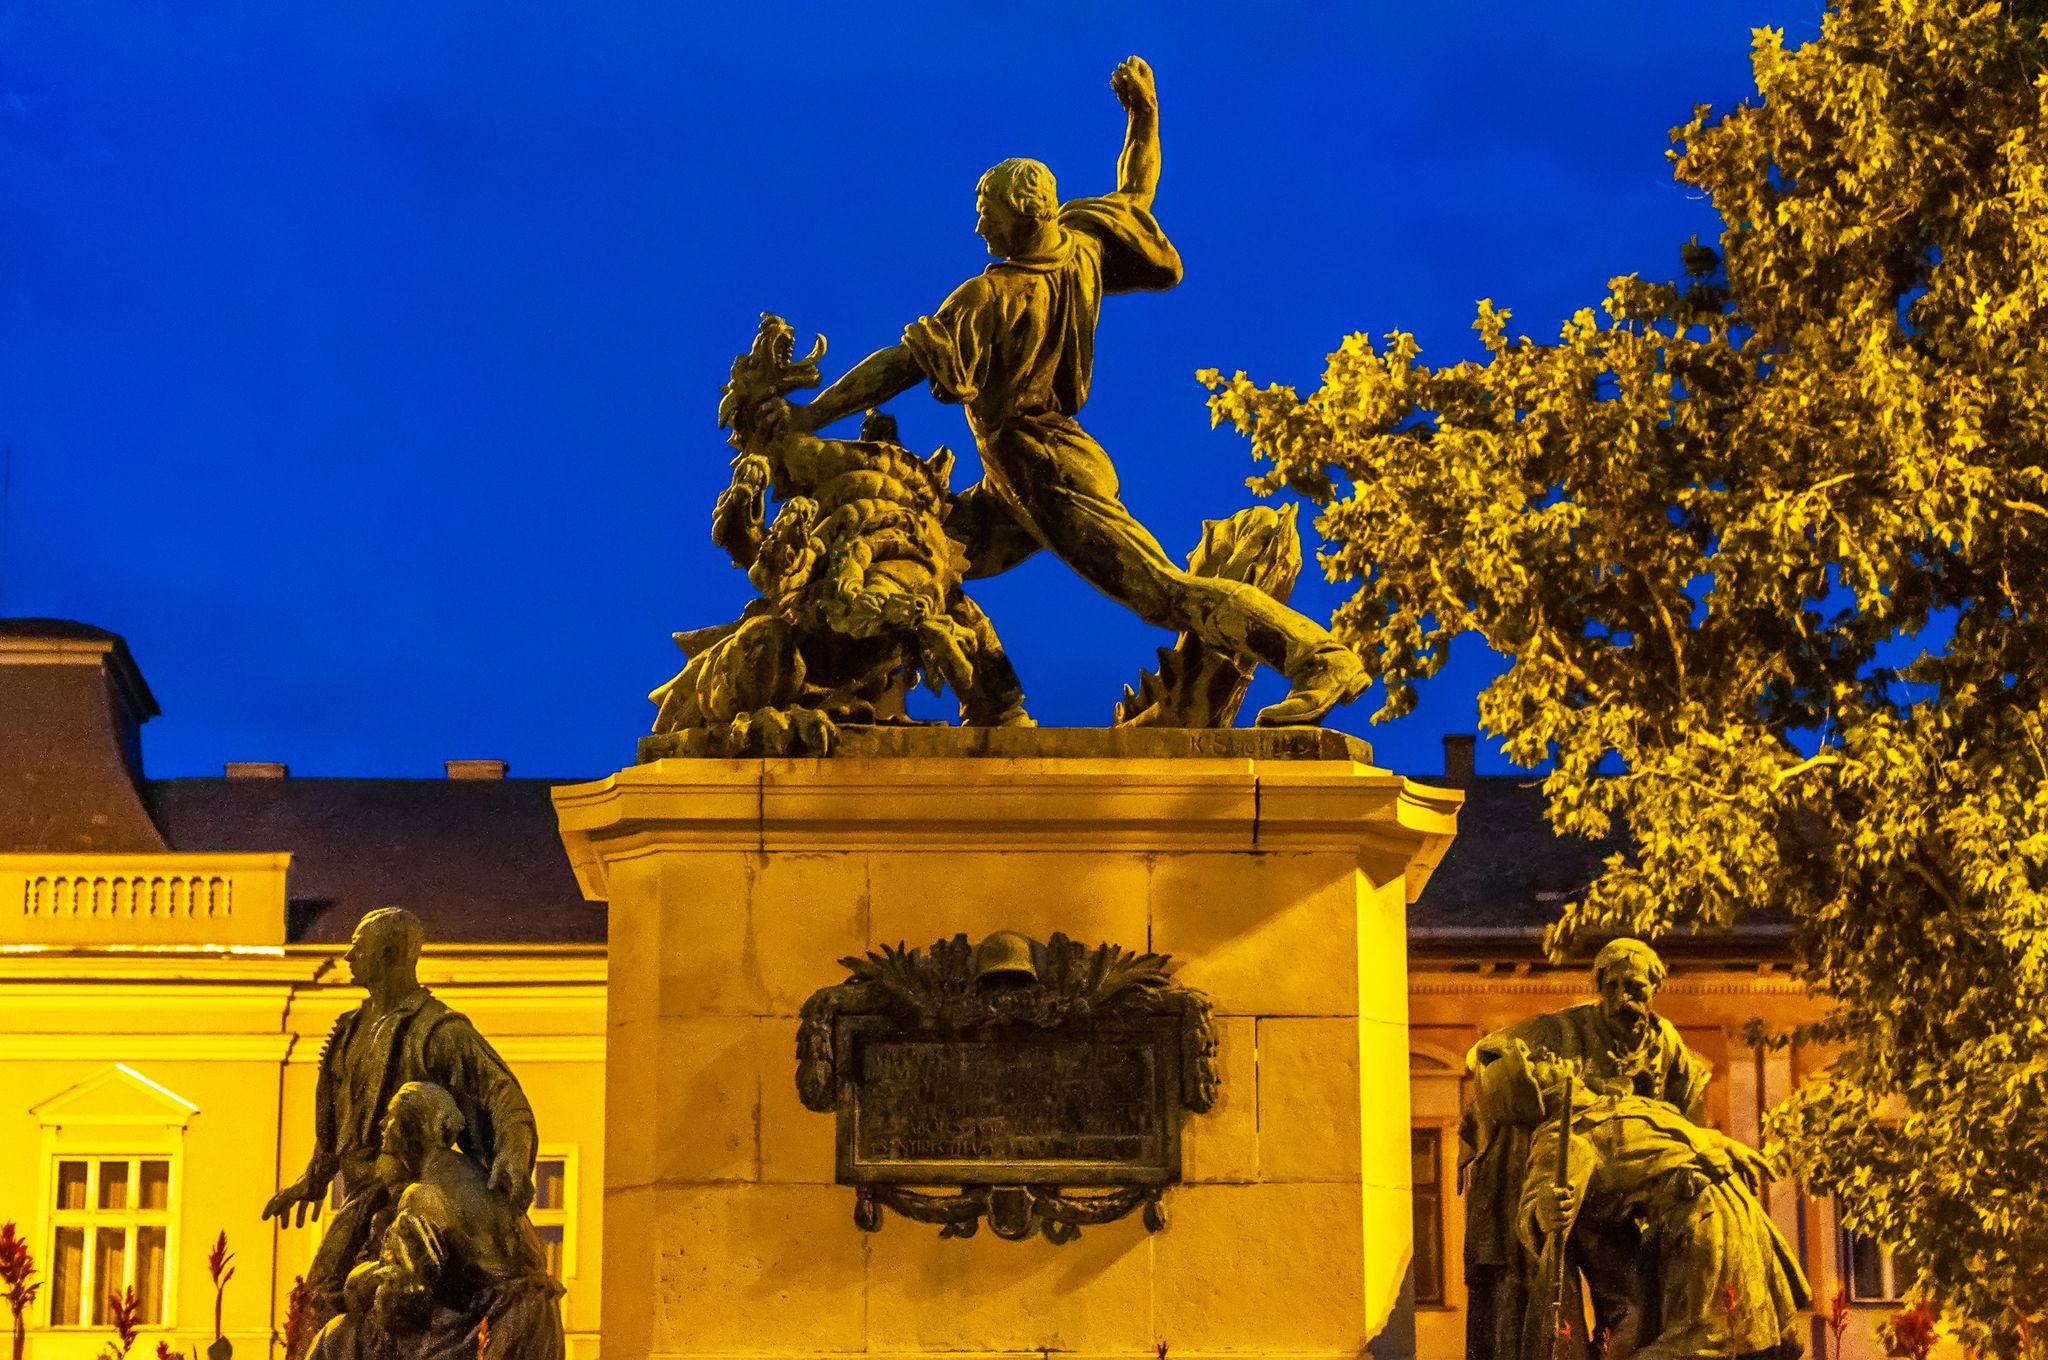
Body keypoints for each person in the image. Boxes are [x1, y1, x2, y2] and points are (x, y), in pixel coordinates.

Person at [780, 55, 1368, 727]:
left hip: (1045, 472)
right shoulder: (1081, 243)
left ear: (1026, 211)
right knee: (926, 555)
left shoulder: (992, 295)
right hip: (1021, 475)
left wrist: (812, 413)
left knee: (1163, 592)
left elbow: (899, 365)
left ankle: (1316, 656)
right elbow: (1136, 192)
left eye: (987, 213)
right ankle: (994, 705)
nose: (979, 228)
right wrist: (1143, 114)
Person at [264, 907, 539, 1330]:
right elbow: (338, 1124)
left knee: (327, 1300)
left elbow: (502, 1094)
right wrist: (313, 1180)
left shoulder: (439, 1031)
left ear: (389, 954)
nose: (348, 958)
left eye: (359, 948)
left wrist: (513, 1152)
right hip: (362, 1196)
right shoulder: (349, 1029)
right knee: (324, 1304)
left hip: (418, 1202)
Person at [1460, 939, 1713, 1359]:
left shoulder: (1666, 1047)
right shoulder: (1559, 1032)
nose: (1621, 997)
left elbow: (1687, 1128)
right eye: (1611, 986)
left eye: (1633, 987)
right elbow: (1482, 1055)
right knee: (1557, 1325)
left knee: (1637, 1309)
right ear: (1598, 987)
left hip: (1613, 1203)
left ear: (1654, 988)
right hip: (1556, 1185)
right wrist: (1527, 1079)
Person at [1515, 1046, 1810, 1360]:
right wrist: (1544, 1211)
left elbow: (1674, 1138)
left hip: (1733, 1213)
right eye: (1536, 1064)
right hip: (1698, 1217)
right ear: (1538, 1094)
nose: (1548, 1053)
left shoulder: (1624, 1105)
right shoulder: (1564, 1134)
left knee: (1738, 1341)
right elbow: (1539, 1205)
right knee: (1703, 1343)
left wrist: (1719, 1143)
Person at [307, 1082, 564, 1360]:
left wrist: (362, 1282)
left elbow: (406, 1296)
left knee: (338, 1336)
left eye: (391, 1115)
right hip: (537, 1325)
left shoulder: (424, 1193)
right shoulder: (471, 1174)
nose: (382, 1125)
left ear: (414, 1128)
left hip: (492, 1327)